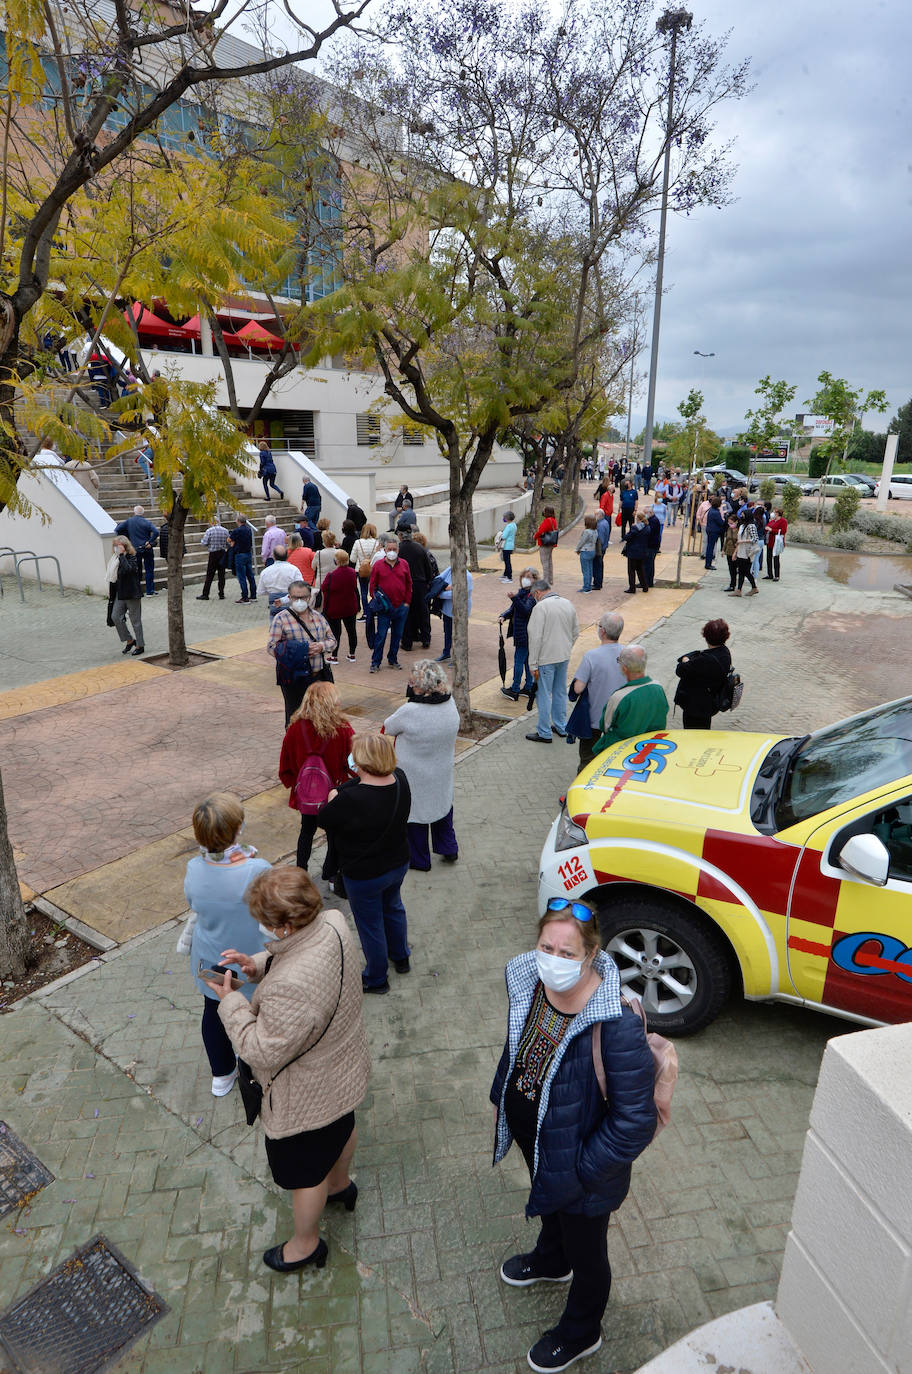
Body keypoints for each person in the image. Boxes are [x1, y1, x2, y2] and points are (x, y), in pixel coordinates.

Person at [491, 899, 657, 1374]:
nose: (553, 959)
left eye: (568, 952)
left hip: (587, 1169)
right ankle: (550, 1258)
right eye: (547, 946)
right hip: (541, 1140)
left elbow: (634, 1123)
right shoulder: (533, 984)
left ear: (591, 954)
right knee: (550, 1205)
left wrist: (581, 1169)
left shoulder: (617, 1024)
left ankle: (582, 1330)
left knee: (589, 1254)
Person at [213, 866, 370, 1273]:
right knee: (343, 1129)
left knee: (305, 1173)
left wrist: (229, 1003)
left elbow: (260, 1050)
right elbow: (305, 956)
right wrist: (258, 966)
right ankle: (341, 1186)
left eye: (266, 923)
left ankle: (306, 1244)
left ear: (283, 926)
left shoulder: (291, 988)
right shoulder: (334, 921)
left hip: (306, 1095)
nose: (262, 929)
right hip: (345, 1067)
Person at [181, 793, 270, 1096]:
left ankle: (221, 1075)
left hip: (209, 958)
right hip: (250, 960)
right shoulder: (256, 869)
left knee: (213, 1010)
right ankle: (254, 1066)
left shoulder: (194, 868)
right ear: (236, 830)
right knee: (254, 1012)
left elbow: (192, 901)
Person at [318, 733, 412, 994]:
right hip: (398, 863)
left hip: (365, 874)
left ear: (362, 760)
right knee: (393, 907)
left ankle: (376, 978)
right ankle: (401, 957)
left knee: (370, 926)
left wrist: (333, 796)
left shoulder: (350, 799)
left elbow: (323, 818)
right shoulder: (401, 779)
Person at [383, 659, 460, 872]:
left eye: (412, 682)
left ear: (422, 686)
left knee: (415, 816)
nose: (410, 685)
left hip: (414, 775)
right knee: (443, 807)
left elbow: (387, 727)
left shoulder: (411, 711)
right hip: (441, 769)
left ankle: (420, 860)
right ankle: (448, 848)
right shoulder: (450, 703)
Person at [279, 683, 354, 871]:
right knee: (333, 834)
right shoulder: (342, 728)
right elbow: (352, 762)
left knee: (306, 832)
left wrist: (295, 783)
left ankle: (300, 870)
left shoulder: (295, 728)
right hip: (334, 792)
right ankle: (330, 874)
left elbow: (285, 765)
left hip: (306, 794)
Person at [267, 580, 337, 725]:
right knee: (295, 718)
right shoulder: (281, 619)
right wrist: (301, 650)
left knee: (321, 717)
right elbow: (271, 647)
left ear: (310, 597)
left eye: (303, 597)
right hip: (294, 679)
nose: (299, 601)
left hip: (318, 677)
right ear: (290, 597)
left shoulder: (318, 617)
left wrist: (321, 646)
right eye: (295, 597)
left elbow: (332, 641)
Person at [526, 580, 579, 744]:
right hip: (563, 656)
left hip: (545, 659)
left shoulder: (540, 608)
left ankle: (544, 732)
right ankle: (562, 726)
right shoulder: (568, 603)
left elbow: (535, 638)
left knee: (543, 695)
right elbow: (575, 632)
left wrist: (532, 664)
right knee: (560, 692)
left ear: (537, 593)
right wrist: (566, 647)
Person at [570, 613, 625, 768]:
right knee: (613, 760)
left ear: (603, 631)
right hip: (618, 718)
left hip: (595, 719)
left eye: (599, 625)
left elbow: (578, 688)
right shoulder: (628, 653)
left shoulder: (591, 656)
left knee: (587, 760)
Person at [592, 645, 668, 756]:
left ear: (624, 668)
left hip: (621, 751)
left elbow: (605, 726)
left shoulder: (619, 697)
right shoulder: (658, 687)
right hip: (651, 748)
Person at [674, 619, 732, 729]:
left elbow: (680, 670)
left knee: (694, 732)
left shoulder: (703, 661)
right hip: (710, 701)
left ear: (705, 636)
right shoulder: (724, 652)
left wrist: (686, 660)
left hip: (696, 706)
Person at [368, 535, 412, 673]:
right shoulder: (378, 565)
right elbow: (372, 586)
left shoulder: (404, 564)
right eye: (389, 549)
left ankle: (392, 659)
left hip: (401, 608)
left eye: (394, 549)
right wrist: (377, 599)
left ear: (398, 550)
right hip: (385, 609)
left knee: (397, 635)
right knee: (381, 636)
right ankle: (375, 662)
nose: (392, 551)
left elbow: (409, 584)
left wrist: (406, 603)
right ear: (385, 550)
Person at [397, 527, 435, 651]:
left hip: (404, 585)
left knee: (406, 613)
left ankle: (407, 642)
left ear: (400, 535)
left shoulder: (398, 549)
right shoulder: (420, 548)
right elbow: (428, 568)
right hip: (420, 584)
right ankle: (426, 639)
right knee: (423, 612)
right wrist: (428, 582)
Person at [107, 535, 145, 656]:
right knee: (115, 617)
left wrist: (122, 555)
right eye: (114, 546)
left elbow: (129, 570)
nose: (115, 548)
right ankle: (129, 640)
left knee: (135, 621)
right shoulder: (114, 559)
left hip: (132, 593)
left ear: (124, 546)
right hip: (120, 593)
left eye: (117, 546)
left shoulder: (131, 557)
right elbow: (112, 579)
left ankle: (140, 645)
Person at [320, 550, 360, 662]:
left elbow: (323, 588)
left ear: (336, 561)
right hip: (350, 607)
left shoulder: (331, 575)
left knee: (335, 633)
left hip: (335, 608)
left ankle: (334, 656)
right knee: (352, 631)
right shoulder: (352, 572)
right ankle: (352, 654)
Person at [115, 504, 158, 596]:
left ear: (134, 512)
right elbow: (156, 532)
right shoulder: (147, 522)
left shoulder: (129, 521)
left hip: (135, 549)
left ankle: (137, 591)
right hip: (147, 549)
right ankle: (149, 591)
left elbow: (117, 529)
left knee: (136, 570)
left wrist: (128, 539)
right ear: (143, 513)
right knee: (149, 569)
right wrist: (149, 542)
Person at [436, 562, 473, 662]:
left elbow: (459, 594)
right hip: (447, 609)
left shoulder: (467, 577)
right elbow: (438, 579)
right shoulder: (450, 570)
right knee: (447, 632)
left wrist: (440, 594)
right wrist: (446, 587)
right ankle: (446, 653)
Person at [256, 546, 300, 613]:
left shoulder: (265, 572)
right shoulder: (294, 570)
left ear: (273, 556)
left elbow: (260, 591)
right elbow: (301, 587)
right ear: (287, 555)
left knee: (275, 621)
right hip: (291, 601)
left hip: (274, 602)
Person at [351, 523, 380, 618]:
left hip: (361, 569)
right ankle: (375, 610)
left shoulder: (357, 542)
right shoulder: (377, 543)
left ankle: (366, 613)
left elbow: (352, 559)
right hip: (374, 569)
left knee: (363, 591)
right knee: (375, 590)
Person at [197, 518, 230, 600]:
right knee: (221, 575)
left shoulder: (209, 531)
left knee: (209, 575)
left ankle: (205, 594)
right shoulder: (225, 531)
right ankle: (221, 593)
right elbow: (228, 543)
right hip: (222, 553)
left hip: (213, 554)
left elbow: (204, 543)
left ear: (211, 522)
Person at [730, 511, 760, 596]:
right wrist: (735, 552)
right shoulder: (742, 526)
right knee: (741, 571)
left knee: (746, 571)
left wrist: (743, 541)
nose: (741, 516)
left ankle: (753, 587)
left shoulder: (751, 526)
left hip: (747, 552)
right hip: (741, 552)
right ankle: (739, 590)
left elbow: (755, 539)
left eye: (743, 515)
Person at [228, 516, 256, 604]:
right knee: (250, 575)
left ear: (238, 521)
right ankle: (253, 595)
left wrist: (231, 542)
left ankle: (245, 597)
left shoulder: (237, 531)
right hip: (248, 553)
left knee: (242, 577)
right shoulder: (248, 530)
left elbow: (230, 540)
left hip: (240, 555)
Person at [620, 511, 649, 594]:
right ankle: (645, 586)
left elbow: (627, 537)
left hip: (633, 552)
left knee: (631, 571)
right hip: (642, 552)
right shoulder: (647, 527)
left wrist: (631, 529)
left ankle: (632, 588)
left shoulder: (635, 528)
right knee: (641, 570)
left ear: (638, 519)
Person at [534, 506, 559, 585]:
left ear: (546, 512)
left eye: (544, 511)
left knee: (544, 562)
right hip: (551, 543)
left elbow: (541, 531)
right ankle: (550, 579)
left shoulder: (547, 520)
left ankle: (545, 580)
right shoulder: (553, 520)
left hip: (545, 544)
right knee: (549, 561)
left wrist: (535, 536)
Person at [575, 515, 598, 593]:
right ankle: (589, 586)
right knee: (590, 569)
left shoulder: (586, 532)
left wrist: (577, 549)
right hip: (592, 551)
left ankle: (586, 587)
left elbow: (582, 541)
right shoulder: (595, 531)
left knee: (585, 570)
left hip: (585, 551)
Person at [765, 506, 787, 581]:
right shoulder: (772, 520)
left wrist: (771, 530)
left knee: (776, 559)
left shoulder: (783, 521)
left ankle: (777, 575)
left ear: (778, 513)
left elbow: (783, 531)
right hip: (769, 542)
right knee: (768, 558)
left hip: (776, 542)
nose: (773, 513)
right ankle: (770, 574)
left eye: (774, 512)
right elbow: (767, 526)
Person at [704, 496, 726, 571]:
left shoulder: (711, 510)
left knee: (709, 547)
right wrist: (724, 520)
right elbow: (721, 522)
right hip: (714, 531)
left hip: (710, 529)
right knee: (710, 547)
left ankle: (708, 563)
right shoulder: (716, 512)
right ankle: (708, 564)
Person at [643, 503, 662, 589]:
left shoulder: (653, 521)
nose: (644, 515)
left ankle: (647, 582)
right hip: (651, 545)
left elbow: (649, 532)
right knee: (649, 564)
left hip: (651, 546)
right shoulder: (652, 519)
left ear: (650, 513)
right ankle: (647, 581)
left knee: (648, 565)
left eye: (645, 513)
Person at [721, 515, 739, 592]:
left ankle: (735, 585)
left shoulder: (739, 530)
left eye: (731, 523)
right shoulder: (729, 529)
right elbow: (726, 540)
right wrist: (723, 550)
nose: (730, 524)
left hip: (736, 552)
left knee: (736, 569)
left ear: (736, 522)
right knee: (731, 569)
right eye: (729, 523)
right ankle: (732, 585)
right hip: (729, 551)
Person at [499, 510, 517, 583]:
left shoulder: (509, 526)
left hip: (506, 546)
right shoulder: (514, 525)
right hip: (511, 545)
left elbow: (504, 536)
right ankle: (505, 574)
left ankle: (509, 577)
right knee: (507, 560)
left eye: (504, 517)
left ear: (507, 518)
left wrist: (500, 535)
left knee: (507, 562)